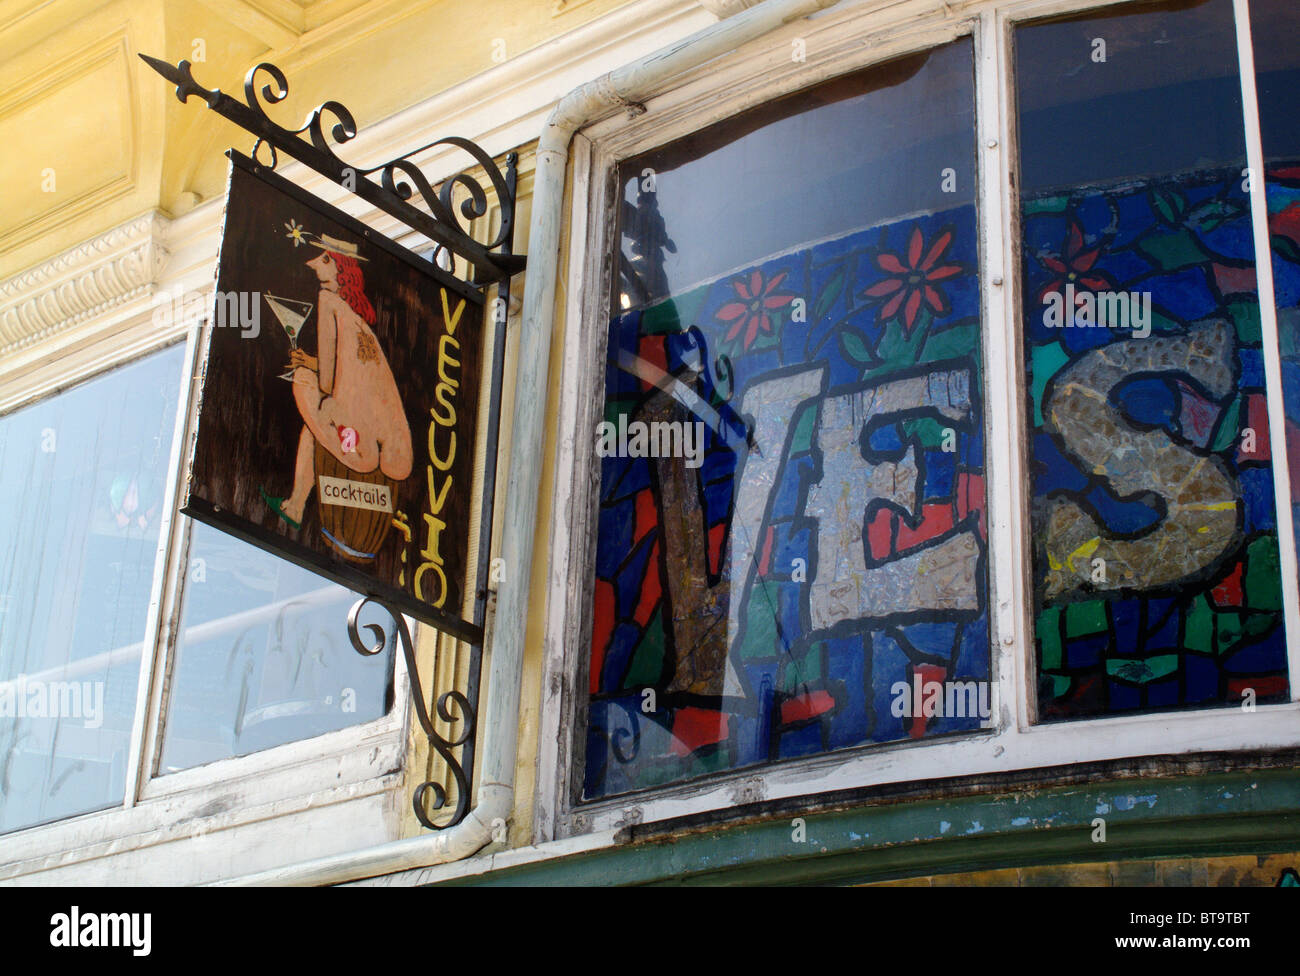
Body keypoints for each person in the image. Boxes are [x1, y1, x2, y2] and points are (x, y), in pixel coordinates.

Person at [261, 234, 413, 529]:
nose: (314, 265)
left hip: (357, 442)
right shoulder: (358, 319)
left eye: (320, 258)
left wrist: (308, 370)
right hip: (391, 444)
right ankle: (295, 504)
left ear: (332, 262)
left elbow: (330, 381)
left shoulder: (327, 300)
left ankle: (296, 505)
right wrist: (311, 361)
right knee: (310, 386)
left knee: (305, 382)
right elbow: (353, 372)